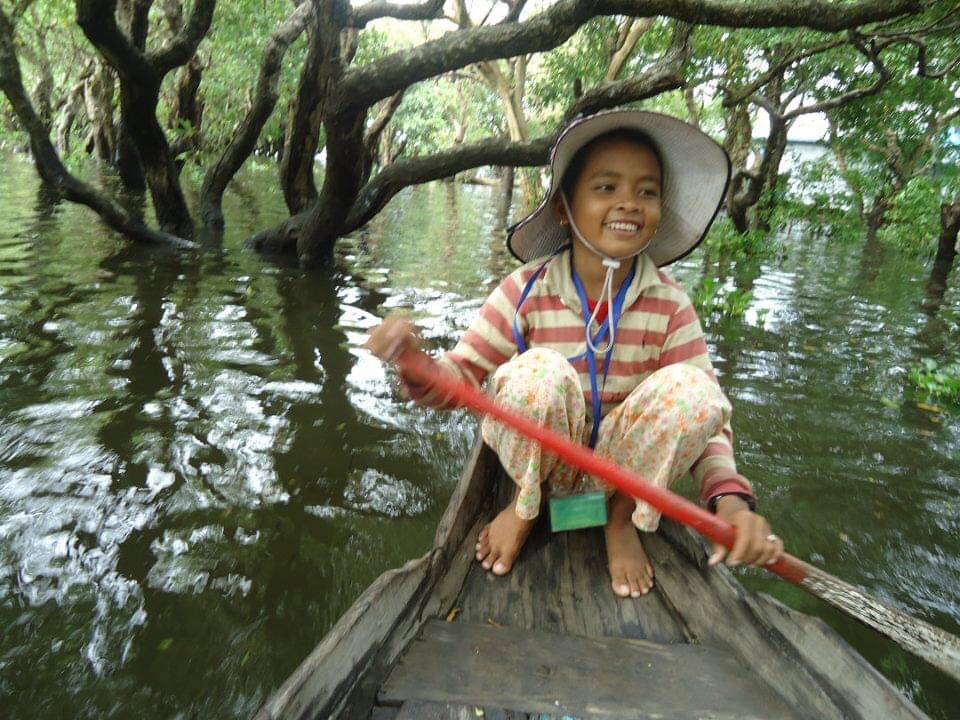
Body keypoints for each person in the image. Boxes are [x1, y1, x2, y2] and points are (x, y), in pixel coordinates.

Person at [366, 109, 784, 599]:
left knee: (697, 391)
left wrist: (731, 502)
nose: (629, 203)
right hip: (542, 464)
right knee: (537, 374)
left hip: (623, 473)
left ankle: (619, 517)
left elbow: (708, 422)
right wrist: (419, 367)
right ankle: (525, 508)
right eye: (606, 188)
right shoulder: (524, 291)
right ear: (564, 208)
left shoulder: (671, 305)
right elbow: (460, 376)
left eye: (646, 191)